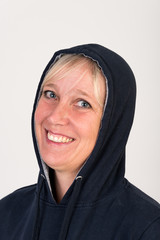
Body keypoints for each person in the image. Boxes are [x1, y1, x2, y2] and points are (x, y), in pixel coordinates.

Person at [0, 44, 160, 240]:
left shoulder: (148, 228)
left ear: (112, 123)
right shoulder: (7, 214)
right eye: (51, 94)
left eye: (83, 103)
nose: (56, 117)